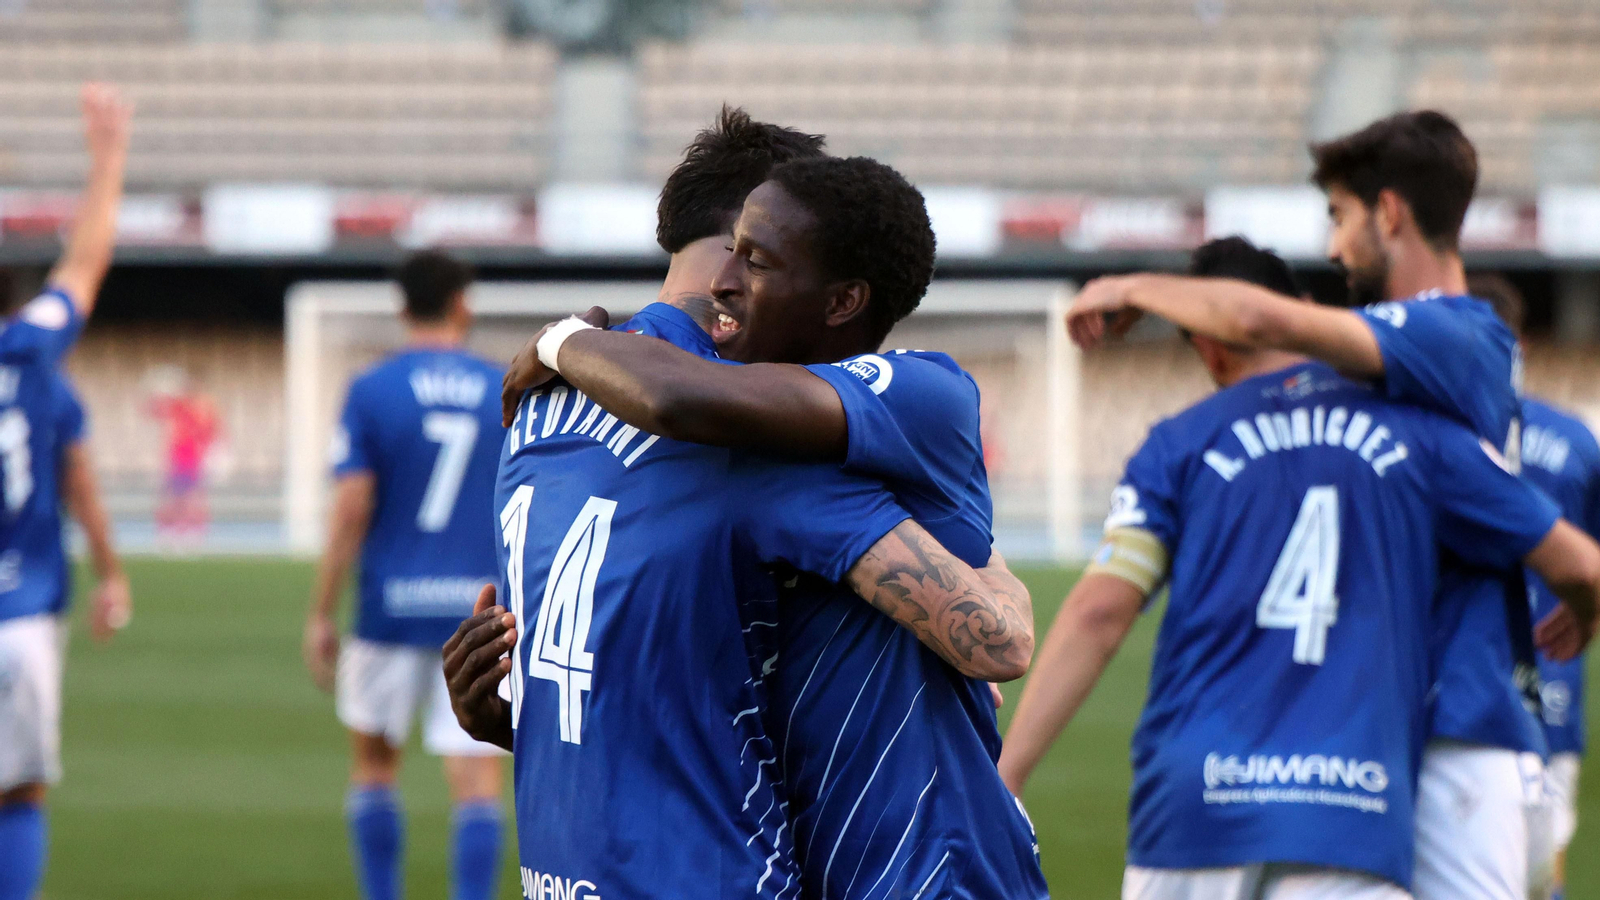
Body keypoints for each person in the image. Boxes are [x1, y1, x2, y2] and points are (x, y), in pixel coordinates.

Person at [443, 114, 1034, 900]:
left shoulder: (538, 419)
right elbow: (995, 639)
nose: (738, 282)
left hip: (895, 862)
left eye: (765, 258)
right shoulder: (749, 447)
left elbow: (996, 642)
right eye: (747, 251)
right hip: (859, 867)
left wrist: (559, 344)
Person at [999, 237, 1600, 899]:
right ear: (1308, 311)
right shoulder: (1419, 437)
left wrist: (1006, 778)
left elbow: (1099, 610)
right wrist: (1581, 605)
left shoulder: (1180, 442)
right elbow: (1579, 563)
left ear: (1209, 348)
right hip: (1350, 815)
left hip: (1192, 811)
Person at [302, 251, 508, 900]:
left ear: (402, 308)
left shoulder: (371, 390)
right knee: (475, 776)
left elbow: (350, 507)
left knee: (373, 768)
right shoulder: (502, 386)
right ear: (462, 304)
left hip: (387, 607)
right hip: (476, 613)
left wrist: (321, 610)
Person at [0, 83, 130, 900]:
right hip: (20, 616)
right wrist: (109, 153)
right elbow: (85, 263)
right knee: (18, 793)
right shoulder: (33, 352)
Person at [1471, 273, 1600, 900]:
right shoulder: (1576, 441)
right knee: (1534, 881)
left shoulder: (1430, 437)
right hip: (1551, 692)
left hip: (1453, 693)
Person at [148, 371, 219, 544]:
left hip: (193, 460)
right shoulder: (179, 405)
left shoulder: (205, 408)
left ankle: (194, 533)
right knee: (171, 498)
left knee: (192, 499)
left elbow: (210, 432)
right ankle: (167, 532)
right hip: (176, 458)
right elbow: (155, 411)